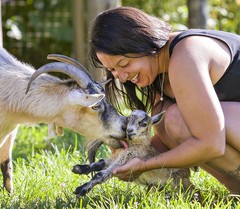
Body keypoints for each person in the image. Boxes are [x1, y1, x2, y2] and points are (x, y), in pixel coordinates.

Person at [89, 6, 240, 194]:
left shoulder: (186, 55)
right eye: (112, 70)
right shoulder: (157, 72)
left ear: (142, 43)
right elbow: (169, 140)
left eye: (124, 64)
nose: (121, 76)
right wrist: (131, 155)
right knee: (165, 120)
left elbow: (210, 143)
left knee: (176, 119)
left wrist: (145, 165)